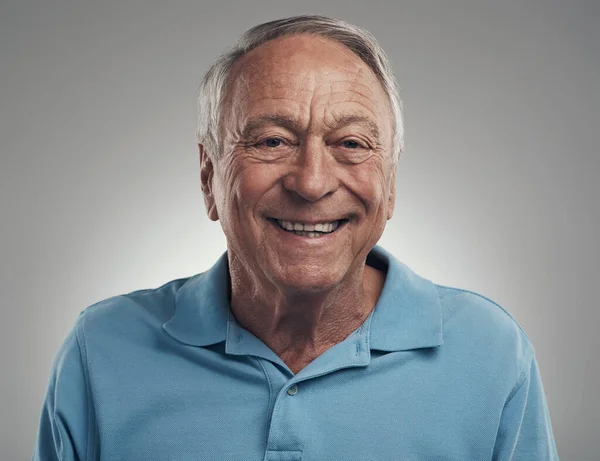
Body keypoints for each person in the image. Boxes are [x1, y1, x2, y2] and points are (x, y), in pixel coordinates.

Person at [32, 15, 559, 461]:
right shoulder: (99, 350)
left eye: (351, 143)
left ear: (390, 184)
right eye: (272, 140)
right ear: (208, 177)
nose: (311, 182)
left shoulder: (490, 352)